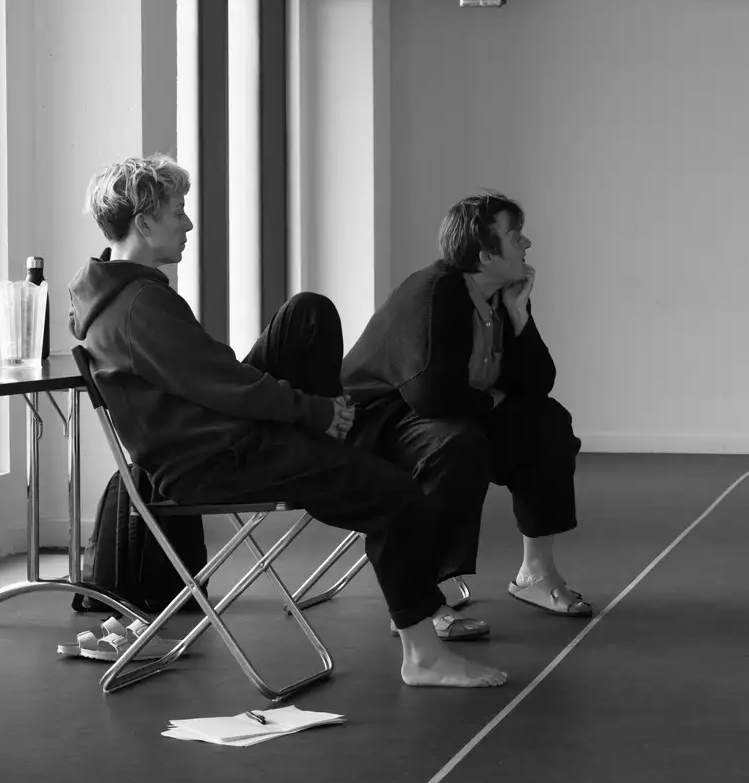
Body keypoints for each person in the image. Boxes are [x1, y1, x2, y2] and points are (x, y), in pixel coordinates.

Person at [68, 153, 506, 687]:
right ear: (143, 223)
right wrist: (316, 412)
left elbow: (214, 379)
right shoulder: (141, 306)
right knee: (398, 498)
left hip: (213, 440)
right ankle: (423, 658)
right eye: (178, 211)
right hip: (216, 459)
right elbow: (224, 385)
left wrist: (317, 415)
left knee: (306, 314)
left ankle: (338, 439)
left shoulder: (117, 295)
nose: (188, 223)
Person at [342, 192, 592, 625]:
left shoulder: (501, 296)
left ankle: (536, 572)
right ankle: (420, 600)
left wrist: (519, 316)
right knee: (458, 445)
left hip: (445, 411)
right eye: (516, 236)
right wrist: (493, 399)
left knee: (545, 423)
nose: (527, 244)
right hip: (376, 420)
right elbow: (430, 396)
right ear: (484, 253)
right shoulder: (435, 293)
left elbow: (537, 384)